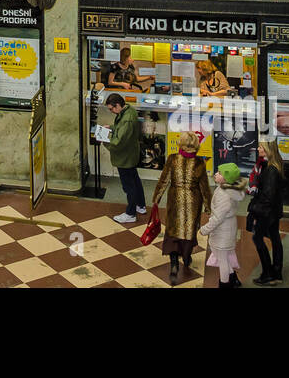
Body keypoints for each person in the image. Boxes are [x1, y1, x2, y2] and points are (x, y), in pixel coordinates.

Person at [151, 131, 212, 285]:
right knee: (188, 230)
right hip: (193, 201)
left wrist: (156, 199)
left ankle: (174, 264)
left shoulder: (172, 159)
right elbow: (204, 187)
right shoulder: (199, 163)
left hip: (175, 200)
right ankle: (186, 257)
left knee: (173, 231)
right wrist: (208, 206)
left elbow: (164, 180)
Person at [200, 162, 246, 288]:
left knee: (222, 260)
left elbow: (217, 219)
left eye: (219, 173)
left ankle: (225, 284)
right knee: (223, 256)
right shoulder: (227, 189)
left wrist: (204, 229)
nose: (216, 173)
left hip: (223, 230)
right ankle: (233, 280)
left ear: (226, 178)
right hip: (227, 228)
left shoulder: (225, 195)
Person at [247, 140, 285, 284]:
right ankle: (277, 271)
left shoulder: (271, 170)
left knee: (257, 239)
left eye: (261, 147)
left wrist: (254, 210)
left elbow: (267, 196)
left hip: (266, 212)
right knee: (275, 239)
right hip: (273, 211)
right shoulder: (273, 166)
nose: (258, 149)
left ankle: (268, 273)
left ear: (268, 150)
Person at [105, 94, 145, 223]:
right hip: (131, 153)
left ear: (118, 105)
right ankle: (141, 205)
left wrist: (104, 139)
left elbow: (118, 142)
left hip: (125, 157)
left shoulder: (126, 119)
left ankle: (131, 213)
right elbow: (122, 130)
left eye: (111, 109)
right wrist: (111, 128)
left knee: (129, 185)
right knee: (135, 179)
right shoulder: (129, 110)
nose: (111, 112)